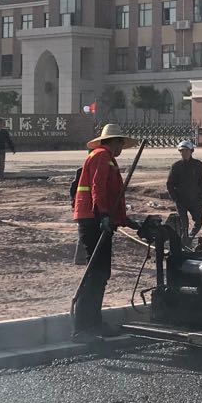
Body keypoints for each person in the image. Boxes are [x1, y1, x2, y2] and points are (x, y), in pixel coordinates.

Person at [70, 124, 134, 339]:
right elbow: (98, 187)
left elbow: (110, 195)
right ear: (113, 141)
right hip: (94, 220)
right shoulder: (102, 156)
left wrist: (126, 221)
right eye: (120, 143)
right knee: (95, 274)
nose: (122, 147)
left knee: (100, 274)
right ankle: (83, 326)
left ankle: (93, 322)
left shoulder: (106, 158)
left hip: (98, 219)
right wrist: (104, 215)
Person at [167, 138, 202, 243]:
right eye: (182, 151)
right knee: (183, 224)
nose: (184, 153)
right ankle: (184, 242)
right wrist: (175, 198)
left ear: (191, 151)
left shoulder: (198, 165)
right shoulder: (176, 166)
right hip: (181, 200)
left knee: (198, 222)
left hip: (195, 199)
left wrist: (200, 195)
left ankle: (190, 237)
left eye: (186, 151)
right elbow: (170, 184)